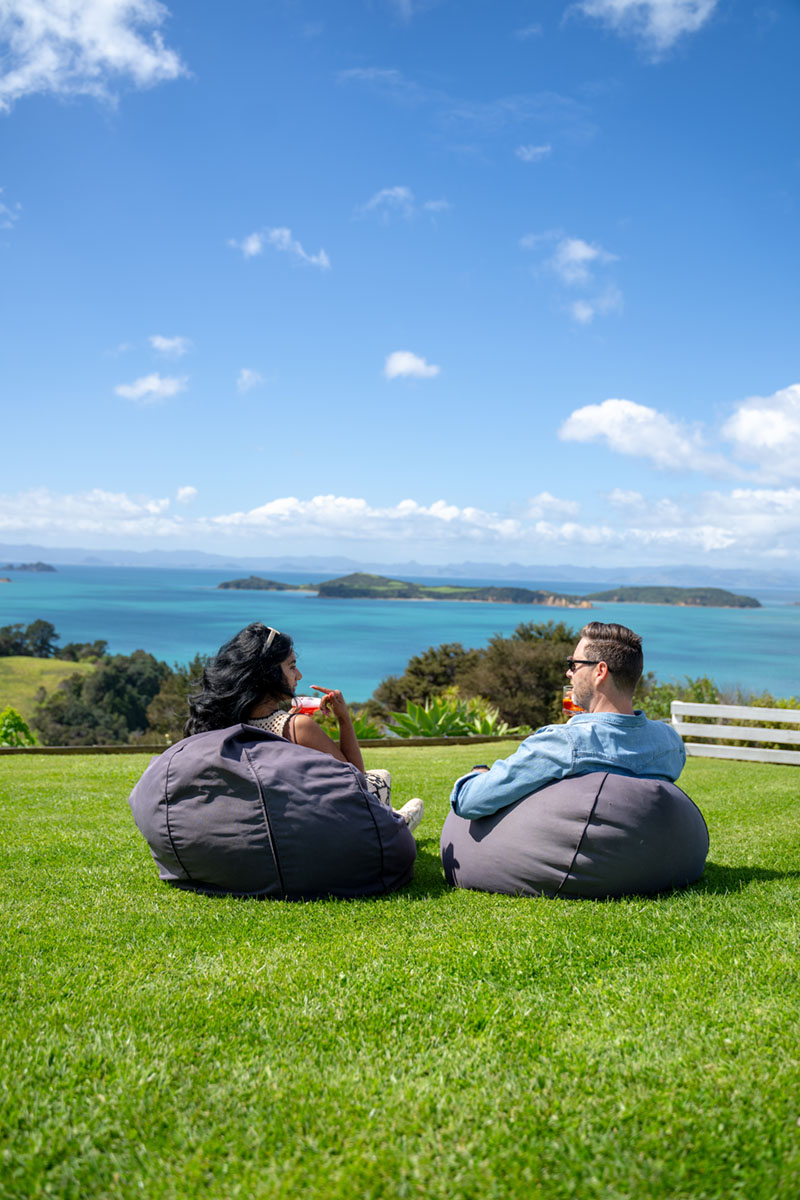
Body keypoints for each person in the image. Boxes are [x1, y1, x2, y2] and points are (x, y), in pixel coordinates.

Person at [185, 622, 424, 831]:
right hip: (319, 825)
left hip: (264, 820)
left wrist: (287, 720)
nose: (298, 675)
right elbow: (356, 782)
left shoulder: (228, 725)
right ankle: (396, 824)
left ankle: (393, 818)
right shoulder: (297, 727)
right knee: (381, 776)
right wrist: (343, 719)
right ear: (268, 674)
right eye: (291, 666)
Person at [449, 621, 686, 820]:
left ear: (600, 672)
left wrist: (478, 773)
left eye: (574, 664)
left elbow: (468, 801)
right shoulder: (669, 742)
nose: (569, 673)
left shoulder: (563, 743)